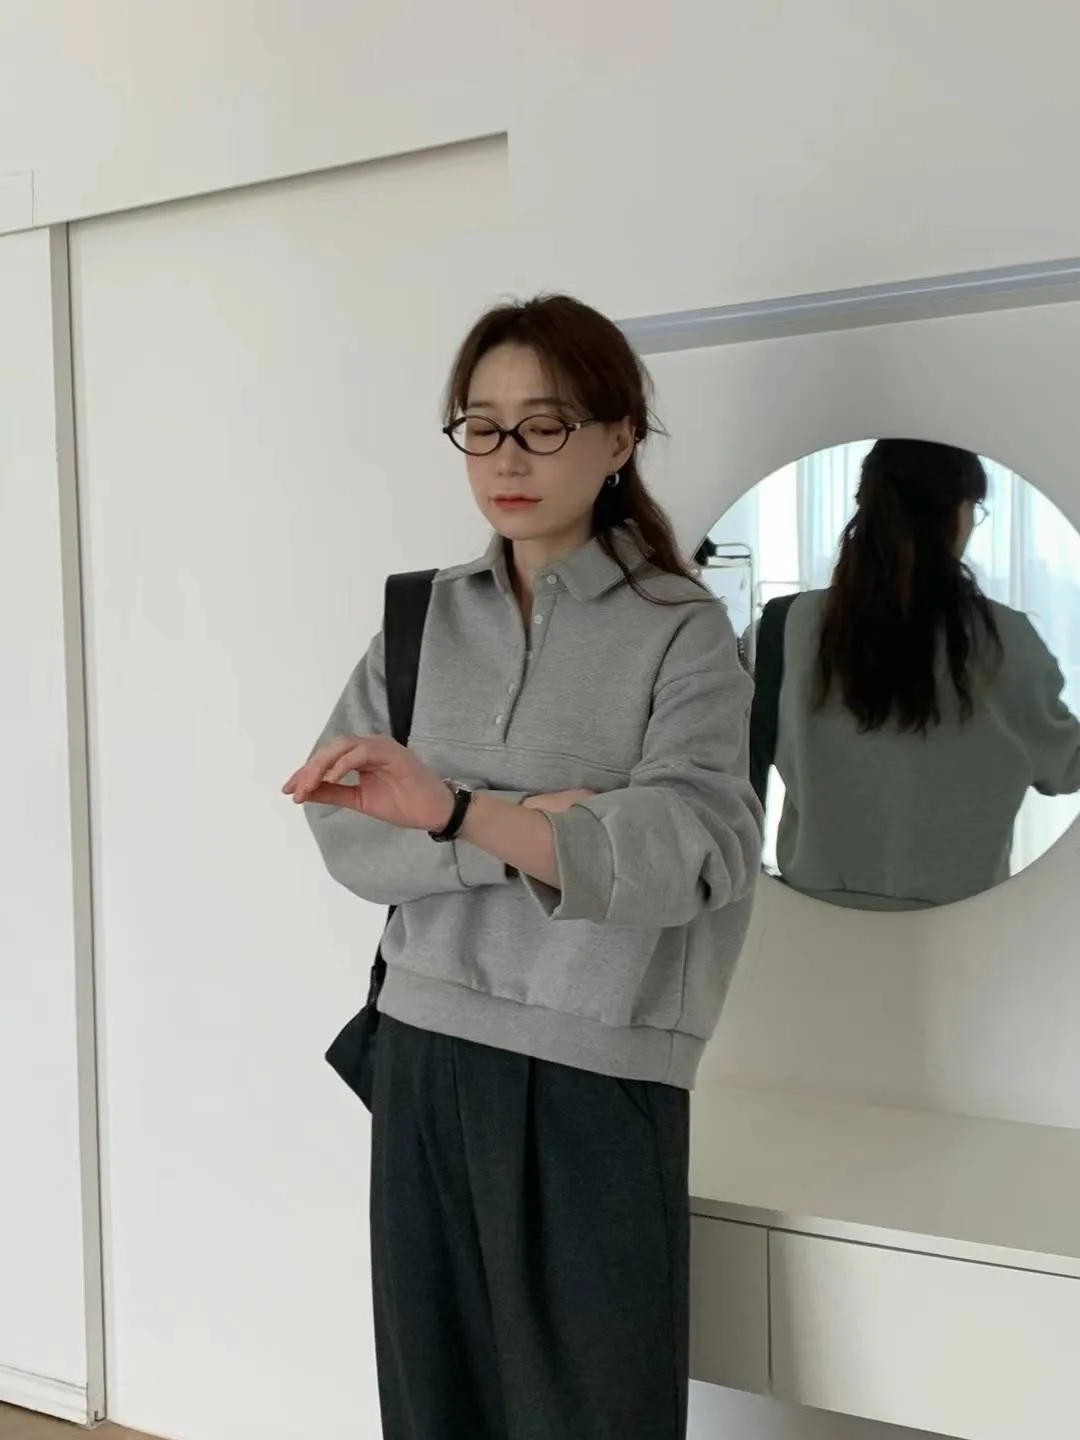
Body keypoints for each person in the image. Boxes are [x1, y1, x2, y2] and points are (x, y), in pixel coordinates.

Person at [282, 294, 763, 1440]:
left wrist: (459, 813)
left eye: (544, 425)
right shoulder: (420, 619)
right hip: (423, 1056)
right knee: (433, 1407)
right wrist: (515, 831)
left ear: (618, 436)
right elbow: (348, 826)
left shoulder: (680, 629)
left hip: (596, 1073)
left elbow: (703, 846)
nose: (508, 457)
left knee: (592, 1415)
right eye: (483, 426)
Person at [750, 438, 1080, 910]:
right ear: (958, 512)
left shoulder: (784, 627)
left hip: (810, 915)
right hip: (962, 920)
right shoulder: (1007, 638)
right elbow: (1066, 768)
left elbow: (736, 774)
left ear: (866, 506)